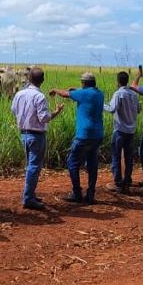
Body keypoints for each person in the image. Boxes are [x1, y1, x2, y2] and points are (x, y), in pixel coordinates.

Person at [11, 67, 65, 210]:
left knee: (30, 166)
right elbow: (44, 118)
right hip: (36, 135)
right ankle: (28, 198)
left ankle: (30, 194)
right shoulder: (39, 96)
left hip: (24, 134)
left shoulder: (19, 94)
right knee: (34, 167)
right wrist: (57, 112)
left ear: (29, 79)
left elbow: (13, 110)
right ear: (42, 80)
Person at [50, 72, 105, 205]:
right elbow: (84, 92)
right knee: (92, 164)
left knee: (72, 163)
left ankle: (77, 193)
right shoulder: (99, 94)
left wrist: (55, 90)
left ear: (84, 83)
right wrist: (76, 89)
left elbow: (65, 94)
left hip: (84, 134)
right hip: (98, 134)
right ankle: (90, 194)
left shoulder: (83, 94)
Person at [104, 71, 139, 194]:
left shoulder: (119, 93)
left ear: (118, 81)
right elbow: (138, 109)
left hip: (120, 129)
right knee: (128, 157)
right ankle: (127, 180)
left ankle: (118, 182)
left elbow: (112, 109)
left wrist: (101, 104)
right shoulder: (133, 94)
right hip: (131, 130)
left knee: (116, 155)